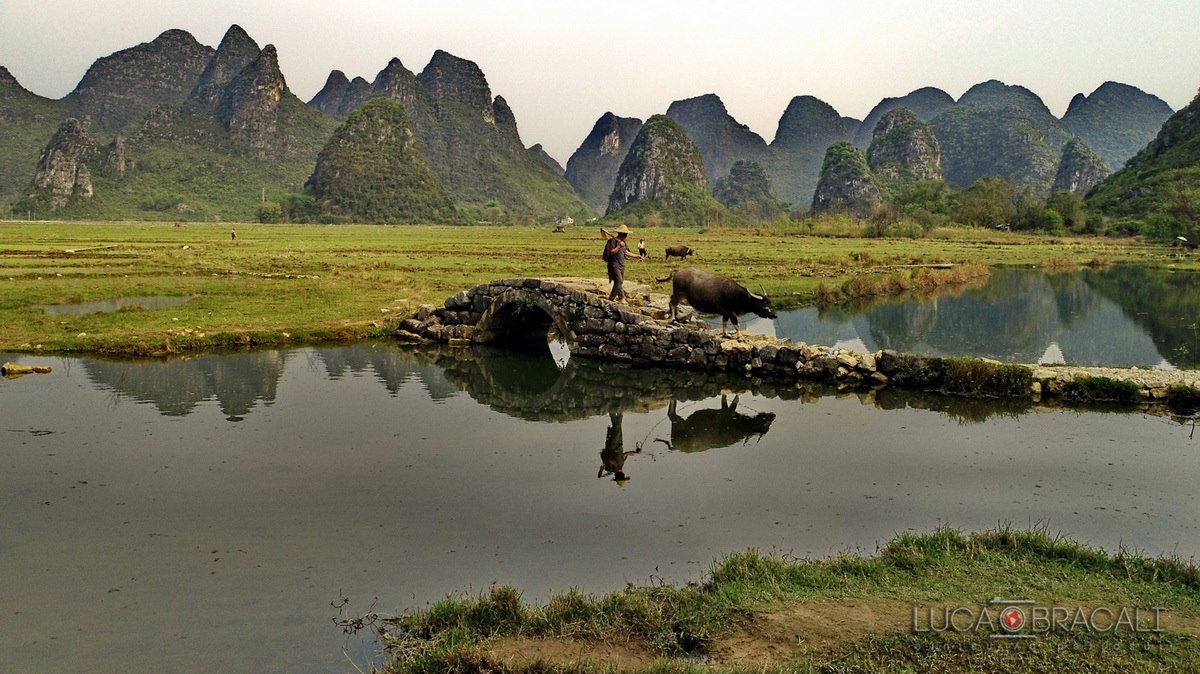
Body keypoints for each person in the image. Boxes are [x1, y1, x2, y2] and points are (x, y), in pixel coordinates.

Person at [603, 224, 643, 303]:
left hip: (621, 264)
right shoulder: (612, 241)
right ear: (620, 233)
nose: (626, 235)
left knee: (619, 282)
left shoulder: (623, 242)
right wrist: (618, 247)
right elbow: (611, 252)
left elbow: (626, 252)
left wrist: (637, 256)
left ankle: (611, 297)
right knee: (619, 281)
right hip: (614, 264)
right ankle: (622, 298)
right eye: (625, 233)